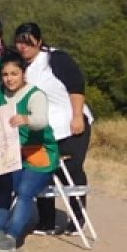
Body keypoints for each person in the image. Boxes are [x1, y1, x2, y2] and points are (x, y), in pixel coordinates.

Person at [10, 23, 92, 235]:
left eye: (28, 42)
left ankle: (77, 218)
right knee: (41, 169)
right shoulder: (20, 65)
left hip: (70, 124)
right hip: (42, 128)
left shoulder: (55, 58)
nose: (23, 47)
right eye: (20, 42)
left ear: (38, 41)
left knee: (71, 172)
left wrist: (77, 116)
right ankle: (46, 220)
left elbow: (76, 86)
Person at [0, 51, 59, 252]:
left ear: (23, 73)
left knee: (25, 191)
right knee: (3, 185)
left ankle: (13, 235)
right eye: (5, 74)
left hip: (39, 154)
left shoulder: (35, 95)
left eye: (14, 73)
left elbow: (41, 121)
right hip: (12, 154)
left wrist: (26, 119)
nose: (9, 79)